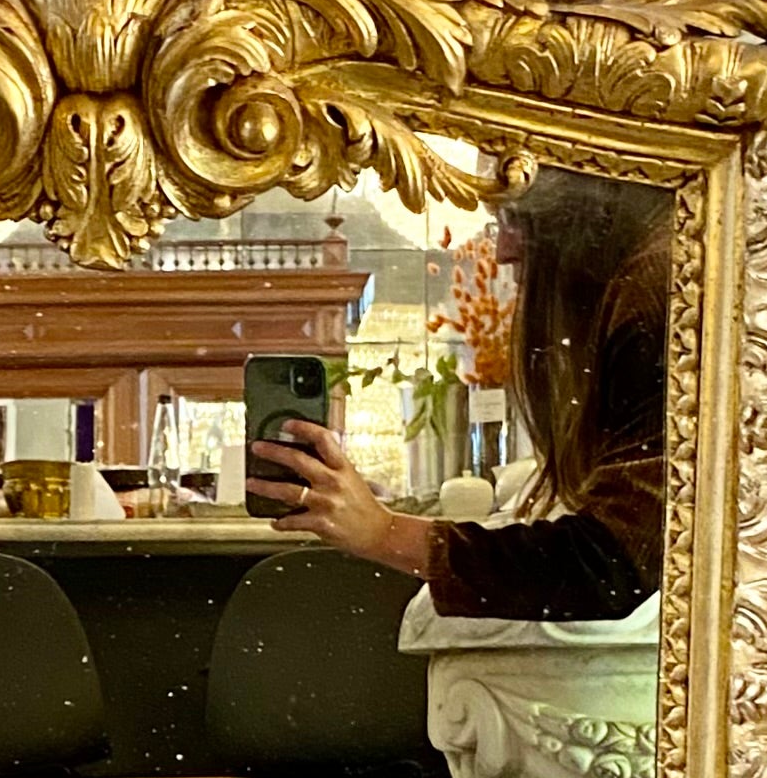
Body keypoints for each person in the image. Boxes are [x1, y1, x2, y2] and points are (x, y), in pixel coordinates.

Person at [255, 197, 670, 622]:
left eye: (514, 218)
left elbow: (608, 567)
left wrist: (384, 532)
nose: (503, 249)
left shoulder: (652, 296)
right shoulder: (654, 285)